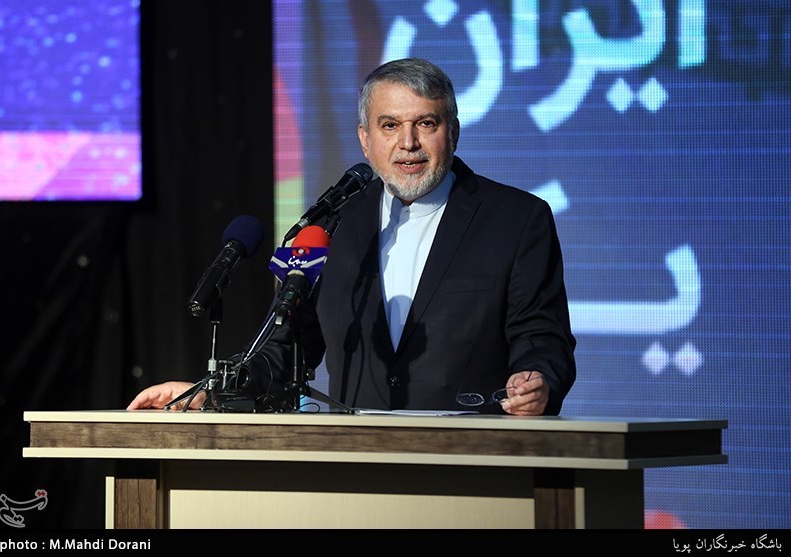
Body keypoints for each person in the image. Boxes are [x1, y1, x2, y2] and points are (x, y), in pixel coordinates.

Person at [128, 57, 576, 416]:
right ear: (365, 139)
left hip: (474, 458)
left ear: (453, 132)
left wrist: (538, 381)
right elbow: (285, 349)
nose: (408, 143)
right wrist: (208, 393)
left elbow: (543, 338)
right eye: (389, 125)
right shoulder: (331, 226)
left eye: (426, 123)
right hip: (357, 457)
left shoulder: (516, 219)